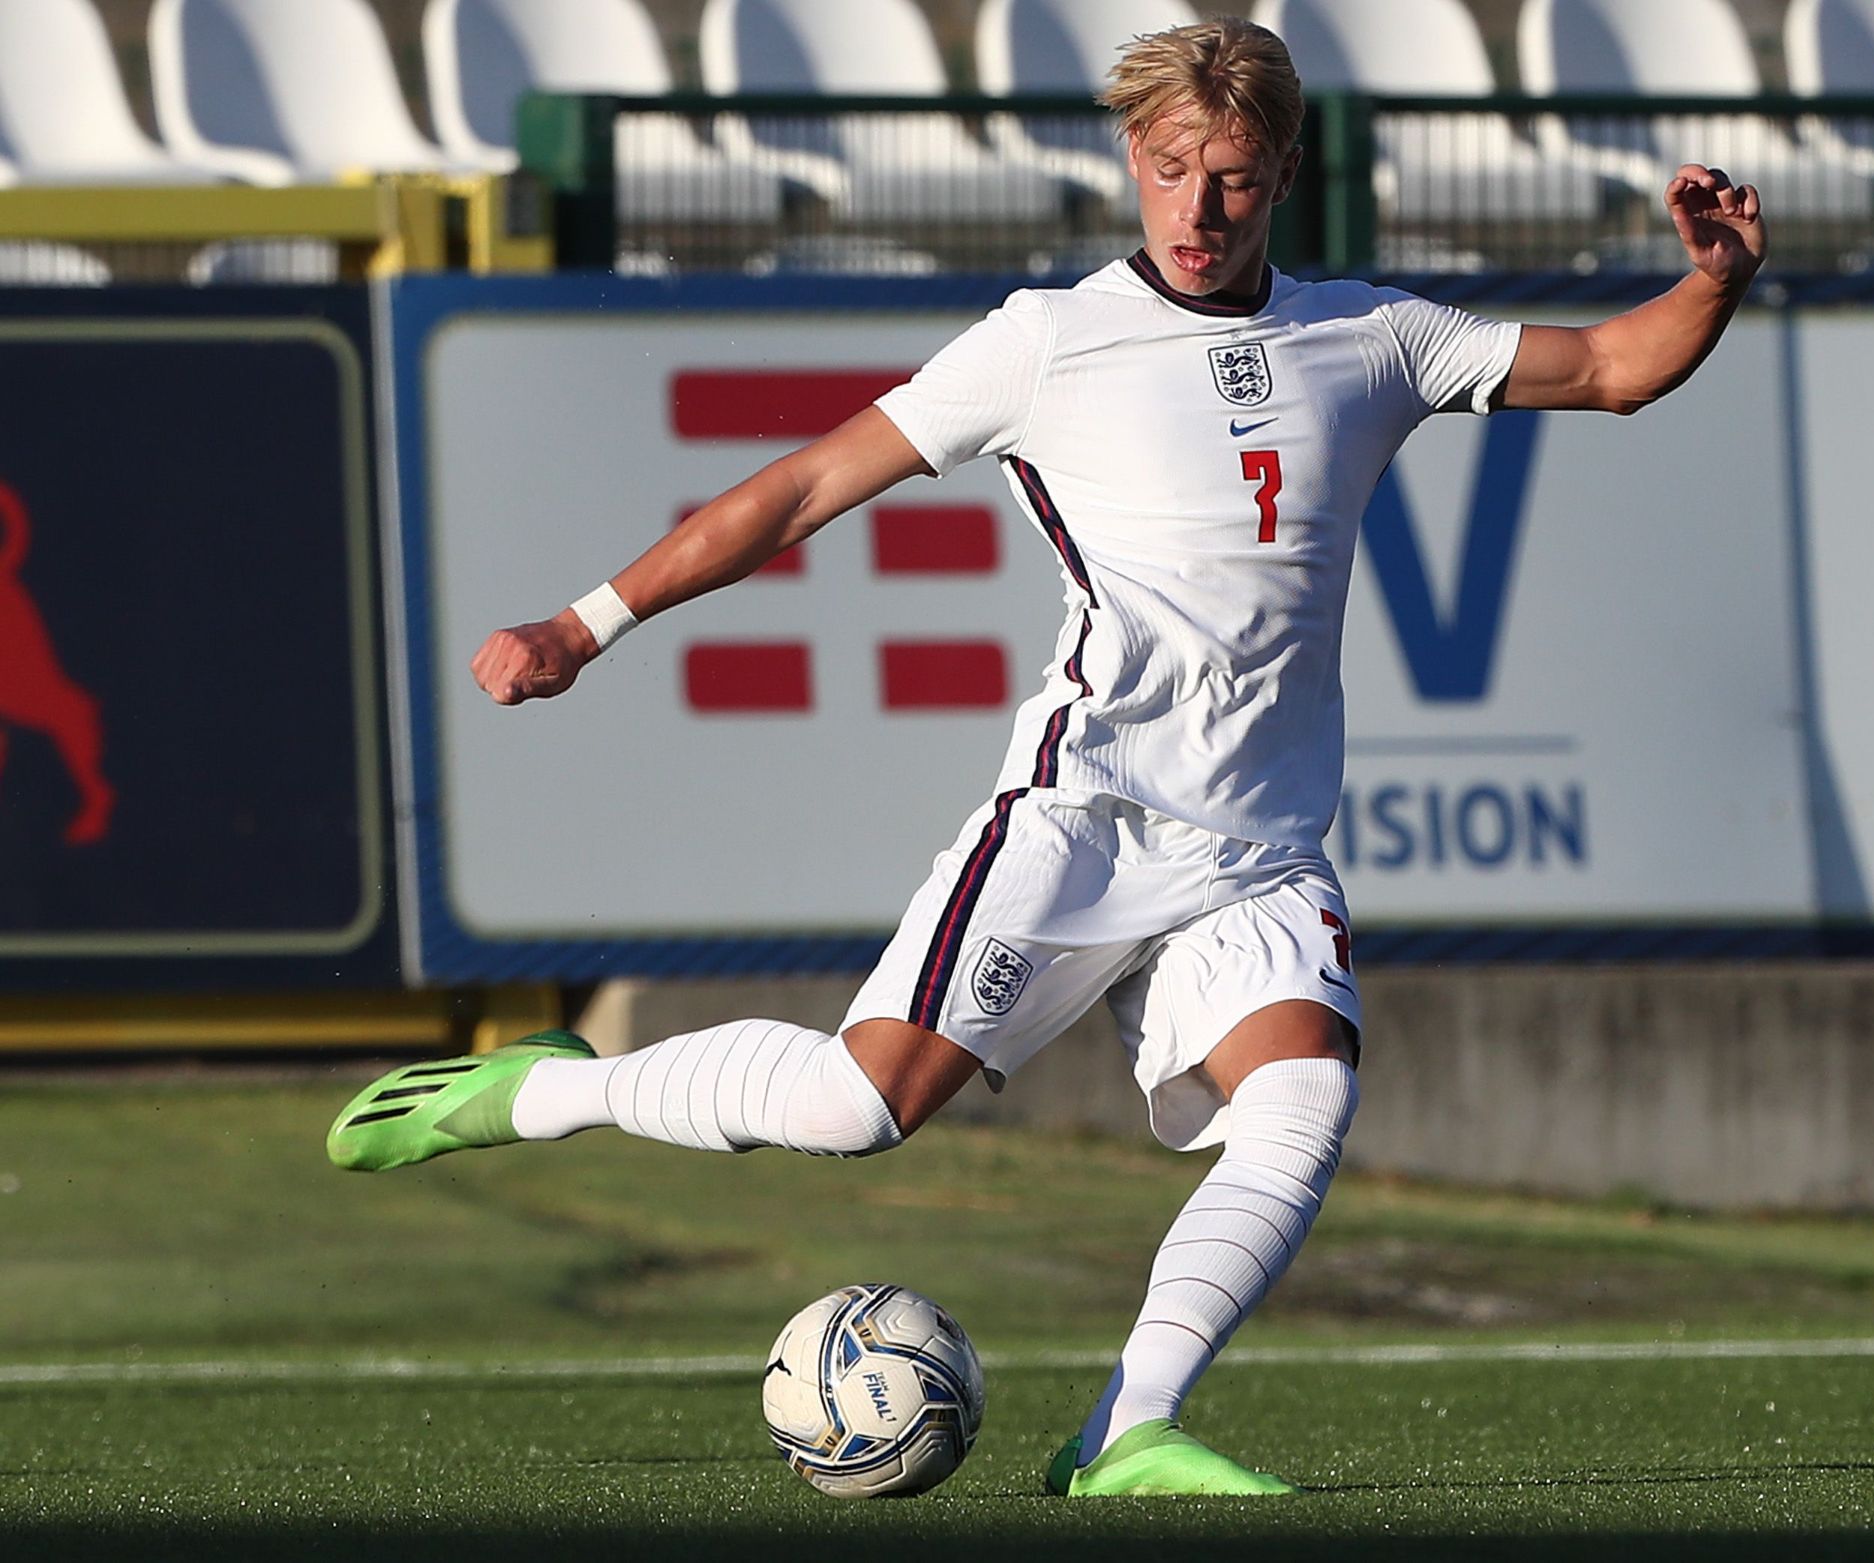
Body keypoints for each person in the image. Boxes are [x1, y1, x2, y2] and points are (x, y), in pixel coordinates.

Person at [329, 17, 1764, 1497]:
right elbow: (802, 489)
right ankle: (553, 1088)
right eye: (1167, 170)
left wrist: (1713, 278)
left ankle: (1126, 1428)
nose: (1197, 210)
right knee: (855, 1110)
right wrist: (583, 623)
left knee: (1304, 1098)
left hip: (1256, 849)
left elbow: (1607, 367)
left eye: (1231, 179)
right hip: (1082, 819)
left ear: (1280, 175)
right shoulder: (1049, 340)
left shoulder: (1368, 336)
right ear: (1127, 162)